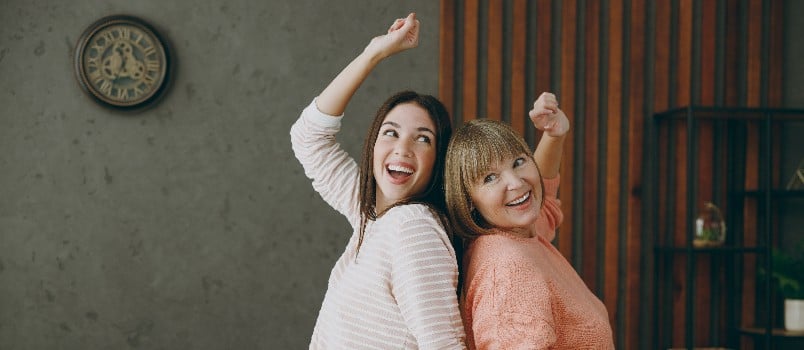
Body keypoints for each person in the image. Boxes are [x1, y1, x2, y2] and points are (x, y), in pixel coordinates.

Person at [289, 13, 466, 349]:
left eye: (423, 138)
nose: (403, 148)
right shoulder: (371, 216)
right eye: (391, 133)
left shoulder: (412, 226)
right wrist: (374, 52)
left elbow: (443, 345)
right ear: (373, 144)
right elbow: (308, 137)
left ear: (439, 160)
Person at [444, 92, 614, 349]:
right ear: (469, 200)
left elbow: (543, 200)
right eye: (490, 178)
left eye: (519, 161)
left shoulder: (512, 236)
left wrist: (554, 135)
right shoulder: (509, 268)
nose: (515, 182)